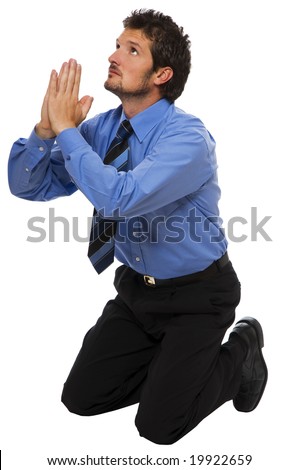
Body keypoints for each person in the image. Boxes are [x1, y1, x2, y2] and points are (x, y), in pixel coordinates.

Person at [8, 9, 268, 445]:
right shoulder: (101, 130)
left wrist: (69, 131)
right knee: (82, 398)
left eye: (132, 50)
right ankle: (174, 375)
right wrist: (45, 130)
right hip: (135, 293)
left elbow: (120, 198)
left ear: (162, 74)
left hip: (197, 296)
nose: (114, 56)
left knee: (158, 427)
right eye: (117, 45)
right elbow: (27, 187)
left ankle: (241, 348)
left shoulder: (187, 139)